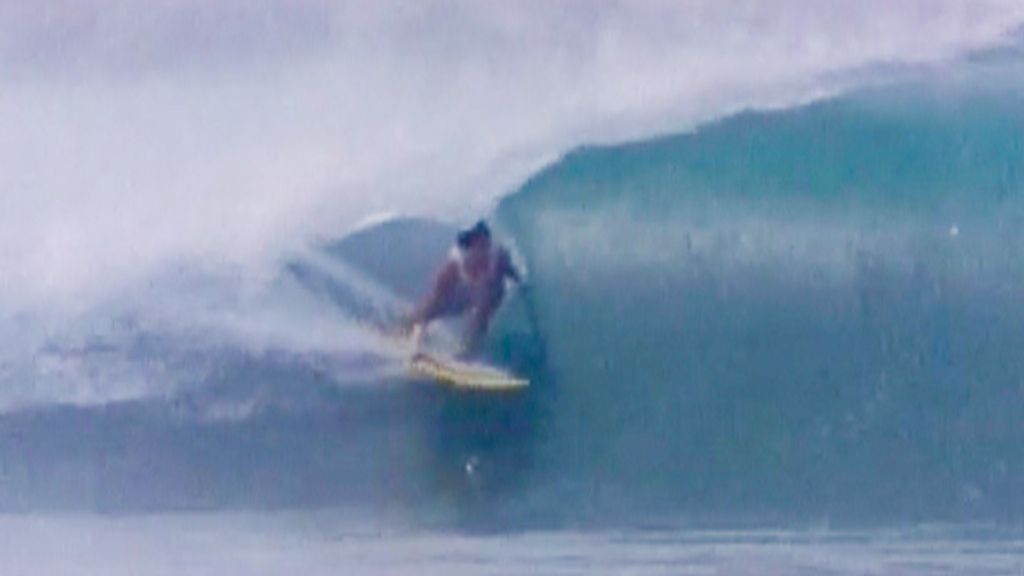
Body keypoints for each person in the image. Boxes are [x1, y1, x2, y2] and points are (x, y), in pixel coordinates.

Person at [405, 220, 522, 358]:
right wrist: (422, 322)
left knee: (484, 307)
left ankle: (467, 351)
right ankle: (408, 330)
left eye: (483, 243)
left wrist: (520, 284)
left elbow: (513, 275)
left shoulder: (498, 255)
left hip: (488, 293)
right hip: (465, 292)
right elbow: (436, 294)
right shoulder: (457, 260)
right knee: (429, 309)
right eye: (472, 245)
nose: (478, 249)